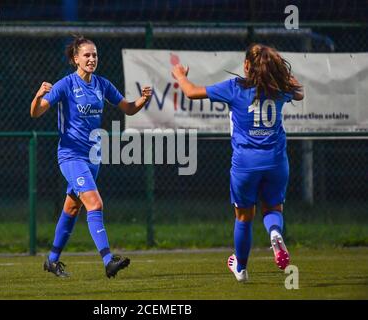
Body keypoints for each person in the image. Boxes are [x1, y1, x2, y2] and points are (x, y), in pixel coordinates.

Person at [171, 43, 304, 282]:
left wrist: (180, 75)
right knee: (273, 209)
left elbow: (191, 92)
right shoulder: (280, 89)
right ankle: (274, 233)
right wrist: (280, 74)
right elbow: (300, 93)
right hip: (276, 161)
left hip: (245, 163)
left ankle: (241, 268)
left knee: (244, 217)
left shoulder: (235, 88)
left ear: (246, 66)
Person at [30, 36, 152, 278]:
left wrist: (142, 100)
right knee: (95, 204)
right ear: (75, 59)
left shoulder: (102, 84)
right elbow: (36, 112)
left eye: (94, 54)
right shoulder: (65, 85)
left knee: (72, 208)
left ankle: (52, 260)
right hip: (71, 156)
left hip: (93, 157)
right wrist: (37, 95)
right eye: (86, 55)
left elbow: (127, 107)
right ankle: (108, 261)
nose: (91, 58)